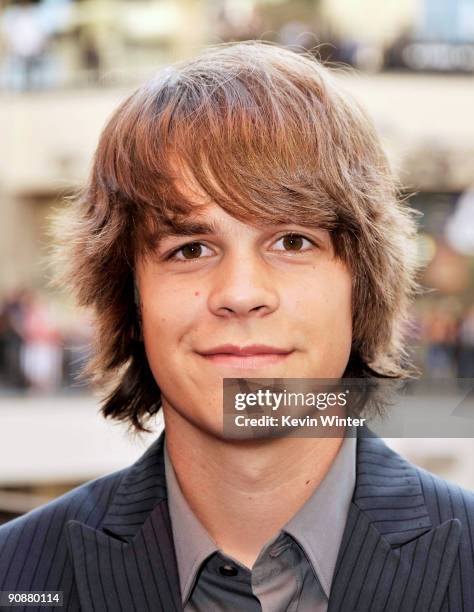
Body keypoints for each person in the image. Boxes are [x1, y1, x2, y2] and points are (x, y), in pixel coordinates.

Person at [0, 41, 473, 612]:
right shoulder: (15, 578)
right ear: (129, 295)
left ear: (362, 281)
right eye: (191, 248)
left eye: (293, 241)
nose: (241, 294)